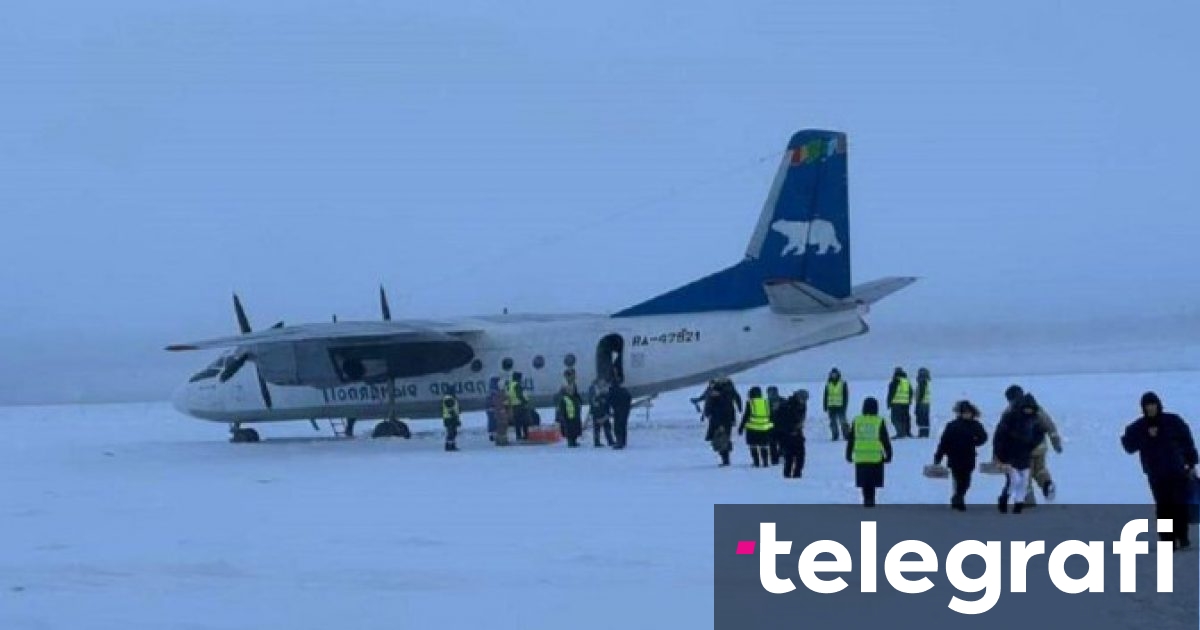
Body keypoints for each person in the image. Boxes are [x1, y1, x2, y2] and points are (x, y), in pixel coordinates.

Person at [1121, 392, 1198, 550]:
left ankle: (1182, 536)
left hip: (1177, 470)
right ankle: (1167, 540)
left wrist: (1192, 462)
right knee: (1163, 507)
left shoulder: (1173, 421)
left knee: (1179, 505)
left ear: (1158, 405)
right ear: (1143, 408)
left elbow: (1187, 441)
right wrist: (1145, 435)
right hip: (1156, 474)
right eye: (1147, 406)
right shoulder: (1139, 427)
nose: (1150, 408)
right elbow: (1128, 445)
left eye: (1153, 405)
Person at [1002, 385, 1063, 505]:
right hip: (1040, 447)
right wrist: (1056, 442)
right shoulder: (1035, 408)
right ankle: (1047, 484)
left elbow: (1003, 433)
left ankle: (1028, 499)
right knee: (1040, 470)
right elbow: (1049, 425)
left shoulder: (1009, 411)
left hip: (1022, 451)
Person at [993, 393, 1046, 514]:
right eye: (1026, 407)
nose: (1028, 410)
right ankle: (1004, 499)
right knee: (1014, 481)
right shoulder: (1010, 418)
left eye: (1030, 408)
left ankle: (1018, 505)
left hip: (1025, 457)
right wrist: (999, 454)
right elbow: (999, 437)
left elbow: (1040, 433)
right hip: (1009, 457)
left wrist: (1032, 444)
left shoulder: (1035, 420)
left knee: (1023, 482)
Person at [933, 400, 988, 511]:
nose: (967, 415)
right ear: (960, 413)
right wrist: (938, 456)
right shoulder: (952, 425)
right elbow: (944, 442)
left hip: (969, 457)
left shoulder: (976, 425)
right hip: (954, 457)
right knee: (958, 480)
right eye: (965, 412)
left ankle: (957, 497)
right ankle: (959, 501)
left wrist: (975, 441)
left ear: (972, 413)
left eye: (969, 413)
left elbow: (984, 437)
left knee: (966, 482)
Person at [846, 397, 893, 507]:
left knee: (865, 483)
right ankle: (871, 500)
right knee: (872, 483)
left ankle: (866, 500)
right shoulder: (879, 421)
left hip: (861, 457)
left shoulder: (857, 420)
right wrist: (889, 453)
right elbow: (884, 439)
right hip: (875, 457)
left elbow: (851, 439)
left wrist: (848, 453)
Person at [774, 390, 808, 479]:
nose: (804, 401)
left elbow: (801, 419)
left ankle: (797, 474)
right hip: (787, 435)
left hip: (798, 434)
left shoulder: (802, 406)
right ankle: (787, 476)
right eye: (803, 399)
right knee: (789, 457)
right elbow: (780, 421)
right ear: (798, 397)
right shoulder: (787, 406)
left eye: (805, 399)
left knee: (801, 456)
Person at [738, 387, 774, 467]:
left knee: (753, 446)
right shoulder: (766, 402)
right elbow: (771, 416)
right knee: (763, 446)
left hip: (752, 428)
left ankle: (756, 462)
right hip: (765, 428)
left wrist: (741, 428)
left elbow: (746, 416)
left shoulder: (750, 403)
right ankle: (765, 463)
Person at [705, 385, 736, 467]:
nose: (712, 393)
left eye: (714, 391)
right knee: (720, 442)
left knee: (722, 442)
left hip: (721, 424)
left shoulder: (722, 400)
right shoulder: (718, 399)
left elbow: (724, 413)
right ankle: (725, 460)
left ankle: (726, 461)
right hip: (720, 424)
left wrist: (721, 425)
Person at [823, 368, 850, 441]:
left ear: (838, 374)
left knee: (843, 421)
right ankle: (835, 435)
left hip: (840, 406)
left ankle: (847, 435)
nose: (834, 375)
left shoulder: (843, 383)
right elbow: (825, 395)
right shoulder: (828, 384)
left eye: (835, 374)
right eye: (832, 374)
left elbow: (846, 395)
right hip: (831, 406)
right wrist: (825, 405)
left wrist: (845, 405)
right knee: (832, 422)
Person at [887, 367, 913, 439]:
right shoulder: (906, 382)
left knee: (895, 418)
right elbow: (911, 392)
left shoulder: (895, 381)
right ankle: (906, 432)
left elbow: (891, 393)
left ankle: (900, 433)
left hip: (896, 403)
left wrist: (888, 403)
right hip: (905, 403)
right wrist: (909, 401)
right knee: (904, 418)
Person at [589, 378, 614, 448]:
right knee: (597, 429)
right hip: (597, 414)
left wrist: (607, 415)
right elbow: (594, 406)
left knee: (607, 428)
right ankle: (597, 442)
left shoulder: (606, 394)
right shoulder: (595, 395)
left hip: (604, 414)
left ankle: (610, 440)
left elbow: (607, 405)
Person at [609, 378, 633, 449]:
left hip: (617, 411)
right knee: (623, 426)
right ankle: (623, 441)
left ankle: (619, 442)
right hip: (625, 411)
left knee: (617, 427)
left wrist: (610, 409)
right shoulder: (624, 390)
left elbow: (609, 401)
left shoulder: (612, 391)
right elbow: (629, 397)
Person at [506, 371, 529, 441]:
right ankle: (526, 435)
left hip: (513, 405)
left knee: (517, 422)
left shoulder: (509, 385)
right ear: (518, 378)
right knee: (525, 421)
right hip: (520, 405)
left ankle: (518, 436)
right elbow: (519, 395)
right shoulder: (517, 385)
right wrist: (525, 402)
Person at [490, 377, 510, 446]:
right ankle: (502, 441)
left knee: (500, 426)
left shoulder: (496, 394)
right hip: (502, 411)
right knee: (502, 426)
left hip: (499, 411)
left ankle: (500, 440)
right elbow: (503, 402)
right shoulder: (501, 394)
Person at [767, 386, 784, 464]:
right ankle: (779, 455)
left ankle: (775, 459)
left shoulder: (766, 402)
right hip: (780, 425)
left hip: (773, 425)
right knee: (779, 442)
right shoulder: (783, 400)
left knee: (773, 443)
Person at [915, 367, 932, 438]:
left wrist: (918, 403)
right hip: (926, 403)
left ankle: (922, 434)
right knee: (925, 419)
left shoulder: (922, 382)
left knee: (921, 418)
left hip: (922, 403)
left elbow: (921, 393)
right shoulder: (927, 382)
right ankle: (925, 433)